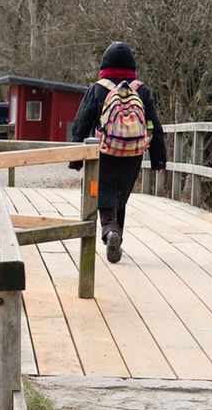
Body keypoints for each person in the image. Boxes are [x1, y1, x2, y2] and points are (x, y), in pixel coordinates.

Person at [69, 42, 167, 264]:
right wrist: (158, 159)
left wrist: (76, 158)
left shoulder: (98, 88)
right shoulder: (141, 90)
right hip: (133, 152)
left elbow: (82, 122)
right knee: (120, 196)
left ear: (105, 64)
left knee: (104, 191)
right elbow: (153, 124)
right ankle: (117, 237)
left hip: (104, 151)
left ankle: (110, 230)